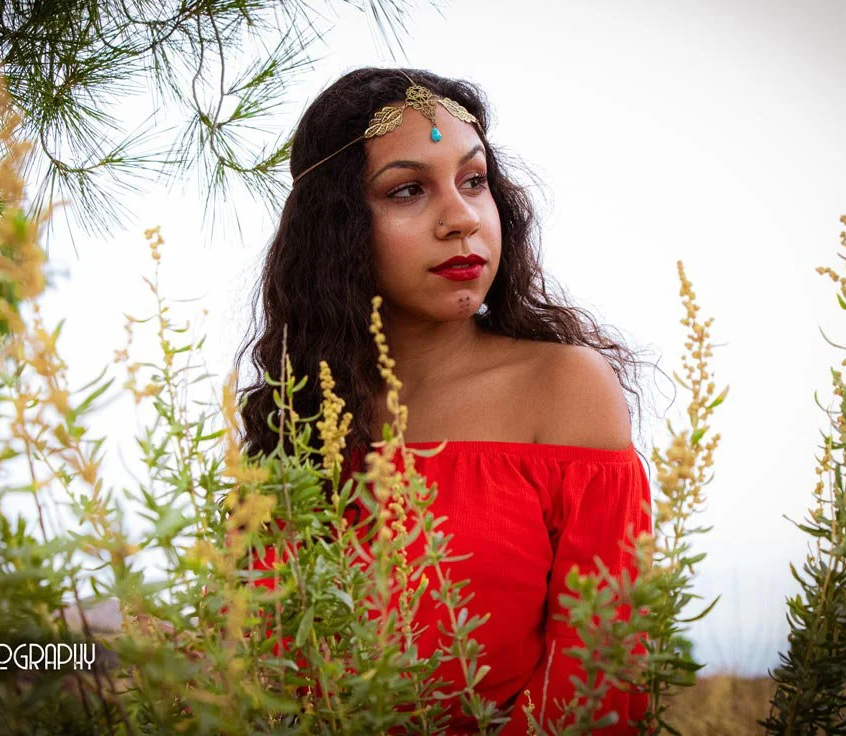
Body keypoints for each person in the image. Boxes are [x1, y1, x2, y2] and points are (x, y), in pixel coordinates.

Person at [234, 67, 654, 734]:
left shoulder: (565, 388)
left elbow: (597, 672)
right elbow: (261, 674)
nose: (461, 219)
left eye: (474, 180)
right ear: (335, 230)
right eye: (408, 190)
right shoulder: (297, 420)